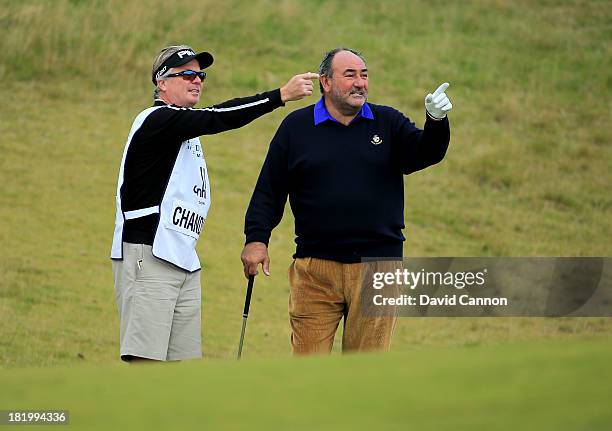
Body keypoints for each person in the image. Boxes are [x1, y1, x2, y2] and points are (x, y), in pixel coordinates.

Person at [111, 44, 318, 362]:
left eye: (201, 75)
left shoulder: (182, 128)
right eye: (188, 74)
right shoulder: (158, 120)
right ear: (161, 82)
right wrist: (280, 96)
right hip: (148, 254)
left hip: (182, 258)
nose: (197, 81)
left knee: (185, 369)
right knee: (146, 365)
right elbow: (218, 118)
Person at [241, 47, 452, 355]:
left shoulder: (387, 122)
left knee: (365, 373)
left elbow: (426, 153)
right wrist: (256, 239)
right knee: (308, 368)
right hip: (315, 269)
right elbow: (270, 189)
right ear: (326, 82)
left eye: (364, 75)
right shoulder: (296, 128)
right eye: (350, 75)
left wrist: (436, 120)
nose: (360, 83)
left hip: (378, 268)